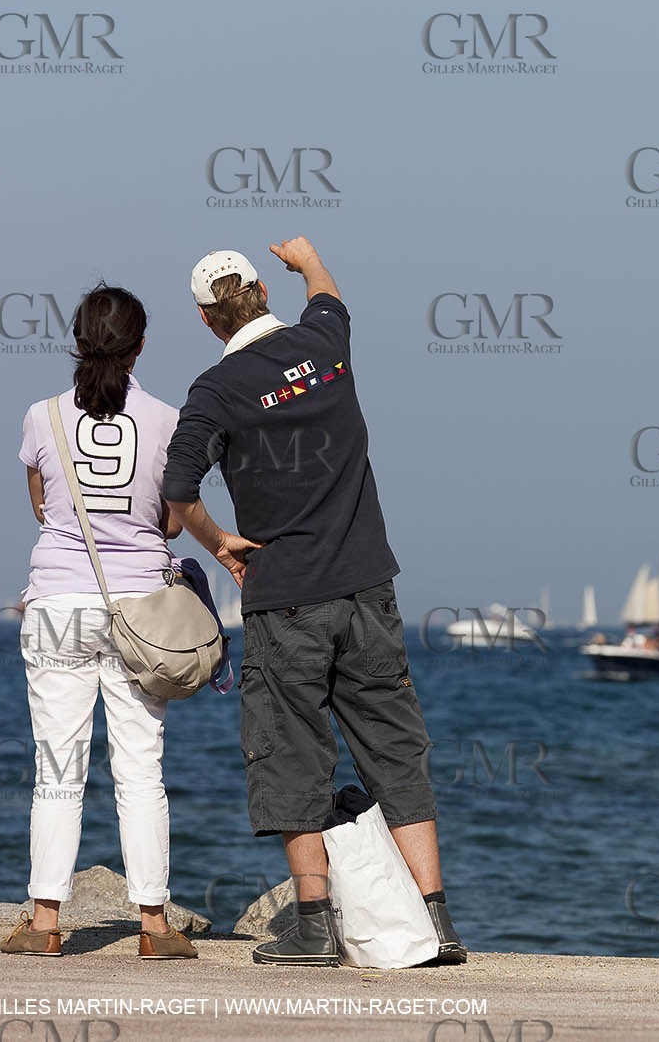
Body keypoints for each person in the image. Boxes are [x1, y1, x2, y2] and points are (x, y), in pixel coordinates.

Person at [161, 239, 465, 967]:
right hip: (367, 586)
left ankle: (315, 921)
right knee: (393, 745)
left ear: (206, 318)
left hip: (286, 596)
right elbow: (329, 294)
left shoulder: (215, 390)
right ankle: (436, 918)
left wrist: (220, 543)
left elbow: (176, 496)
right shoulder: (324, 342)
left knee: (291, 753)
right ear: (263, 291)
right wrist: (308, 256)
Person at [3, 284, 197, 961]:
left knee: (57, 766)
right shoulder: (168, 420)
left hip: (58, 602)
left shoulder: (42, 416)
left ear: (78, 341)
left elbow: (42, 505)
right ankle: (154, 926)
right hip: (139, 609)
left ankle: (44, 921)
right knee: (141, 769)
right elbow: (171, 519)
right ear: (141, 344)